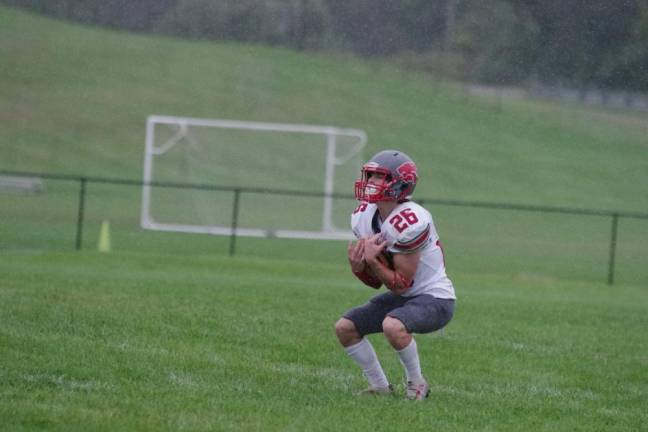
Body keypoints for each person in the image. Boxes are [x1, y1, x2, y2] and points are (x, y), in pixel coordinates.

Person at [335, 149, 456, 401]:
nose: (369, 182)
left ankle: (417, 384)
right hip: (406, 297)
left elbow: (401, 284)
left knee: (393, 325)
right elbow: (376, 283)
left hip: (434, 298)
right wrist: (359, 267)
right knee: (345, 328)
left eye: (378, 177)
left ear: (398, 183)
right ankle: (379, 387)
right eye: (369, 176)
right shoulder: (364, 216)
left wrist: (372, 261)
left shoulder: (411, 221)